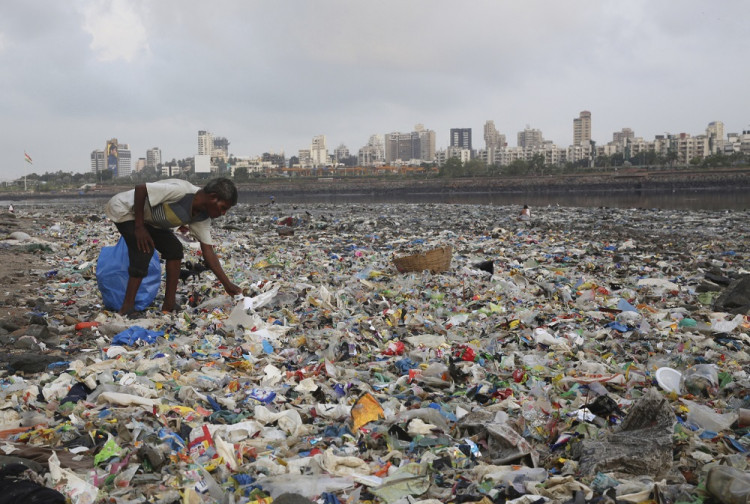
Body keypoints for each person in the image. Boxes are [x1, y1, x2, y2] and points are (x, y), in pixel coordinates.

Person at [105, 178, 243, 315]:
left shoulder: (202, 216)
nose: (224, 213)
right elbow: (141, 189)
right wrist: (139, 226)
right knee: (144, 250)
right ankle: (127, 307)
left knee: (174, 249)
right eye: (223, 208)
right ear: (213, 197)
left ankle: (169, 304)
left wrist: (227, 284)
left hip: (149, 221)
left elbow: (208, 251)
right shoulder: (181, 191)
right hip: (125, 210)